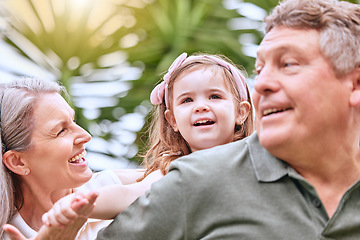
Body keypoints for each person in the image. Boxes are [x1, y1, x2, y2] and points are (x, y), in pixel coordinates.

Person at [7, 0, 360, 238]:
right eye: (260, 69)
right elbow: (123, 194)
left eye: (289, 64)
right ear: (171, 117)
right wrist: (76, 214)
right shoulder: (196, 177)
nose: (263, 83)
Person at [36, 52, 255, 227]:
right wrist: (76, 205)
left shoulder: (255, 156)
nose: (201, 106)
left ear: (241, 112)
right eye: (186, 100)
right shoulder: (173, 168)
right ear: (173, 121)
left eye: (214, 96)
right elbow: (127, 195)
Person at [0, 78, 160, 240]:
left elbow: (177, 173)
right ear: (17, 162)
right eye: (61, 131)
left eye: (74, 121)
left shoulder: (112, 185)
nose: (85, 136)